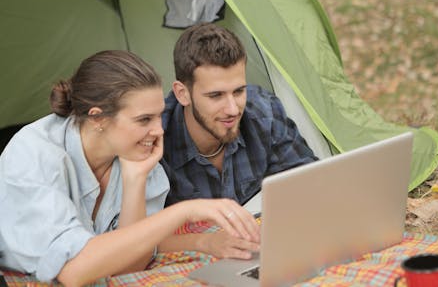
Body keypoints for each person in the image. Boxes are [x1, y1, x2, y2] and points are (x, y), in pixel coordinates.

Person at [0, 50, 259, 286]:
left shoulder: (131, 152)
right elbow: (72, 271)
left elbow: (131, 264)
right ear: (98, 118)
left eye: (158, 115)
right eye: (144, 119)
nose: (158, 130)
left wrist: (135, 178)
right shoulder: (35, 153)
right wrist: (184, 211)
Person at [160, 23, 317, 258]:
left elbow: (310, 182)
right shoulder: (155, 138)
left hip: (267, 247)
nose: (232, 109)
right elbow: (135, 237)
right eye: (216, 95)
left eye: (238, 91)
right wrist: (205, 242)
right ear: (183, 93)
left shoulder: (263, 111)